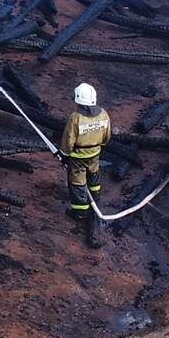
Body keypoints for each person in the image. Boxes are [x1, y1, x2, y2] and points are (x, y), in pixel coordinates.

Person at [61, 83, 111, 248]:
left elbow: (68, 139)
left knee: (77, 183)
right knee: (94, 174)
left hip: (77, 157)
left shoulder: (75, 118)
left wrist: (64, 154)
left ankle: (80, 211)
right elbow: (107, 137)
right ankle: (95, 197)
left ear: (79, 101)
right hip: (95, 154)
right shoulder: (104, 114)